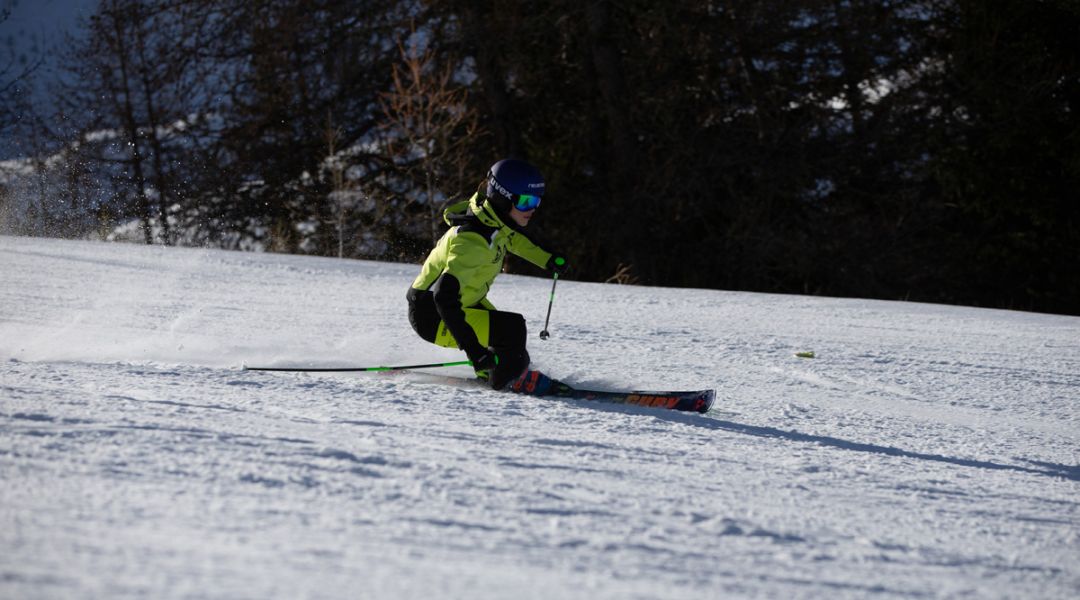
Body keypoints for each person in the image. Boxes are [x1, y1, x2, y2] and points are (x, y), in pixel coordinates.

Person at [407, 158, 569, 390]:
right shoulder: (474, 242)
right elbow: (443, 296)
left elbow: (513, 240)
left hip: (464, 301)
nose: (532, 209)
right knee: (511, 331)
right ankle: (507, 382)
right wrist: (474, 351)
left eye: (536, 201)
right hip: (432, 315)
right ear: (503, 198)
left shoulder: (493, 221)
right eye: (525, 202)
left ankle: (504, 373)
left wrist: (547, 259)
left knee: (510, 344)